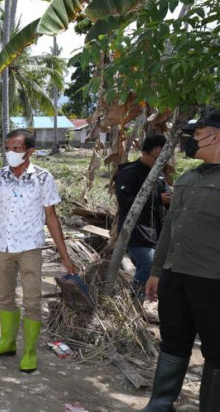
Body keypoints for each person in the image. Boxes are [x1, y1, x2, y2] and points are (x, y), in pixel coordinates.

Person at [0, 128, 76, 374]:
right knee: (4, 298)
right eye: (8, 148)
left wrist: (65, 255)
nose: (11, 153)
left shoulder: (42, 177)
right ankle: (7, 343)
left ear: (30, 151)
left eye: (16, 149)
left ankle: (29, 351)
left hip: (30, 247)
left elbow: (51, 217)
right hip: (3, 246)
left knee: (32, 301)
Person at [142, 109, 220, 412]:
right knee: (173, 340)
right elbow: (170, 230)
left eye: (198, 134)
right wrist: (157, 271)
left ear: (215, 135)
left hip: (212, 279)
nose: (192, 140)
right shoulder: (187, 178)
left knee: (215, 349)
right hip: (176, 276)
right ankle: (161, 403)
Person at [113, 134, 170, 300]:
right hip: (135, 231)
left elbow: (164, 198)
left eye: (163, 159)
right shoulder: (128, 173)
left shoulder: (159, 174)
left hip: (156, 231)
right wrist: (158, 199)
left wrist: (168, 200)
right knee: (149, 264)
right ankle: (135, 300)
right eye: (156, 158)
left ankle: (139, 301)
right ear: (144, 153)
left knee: (149, 267)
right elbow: (124, 201)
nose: (159, 162)